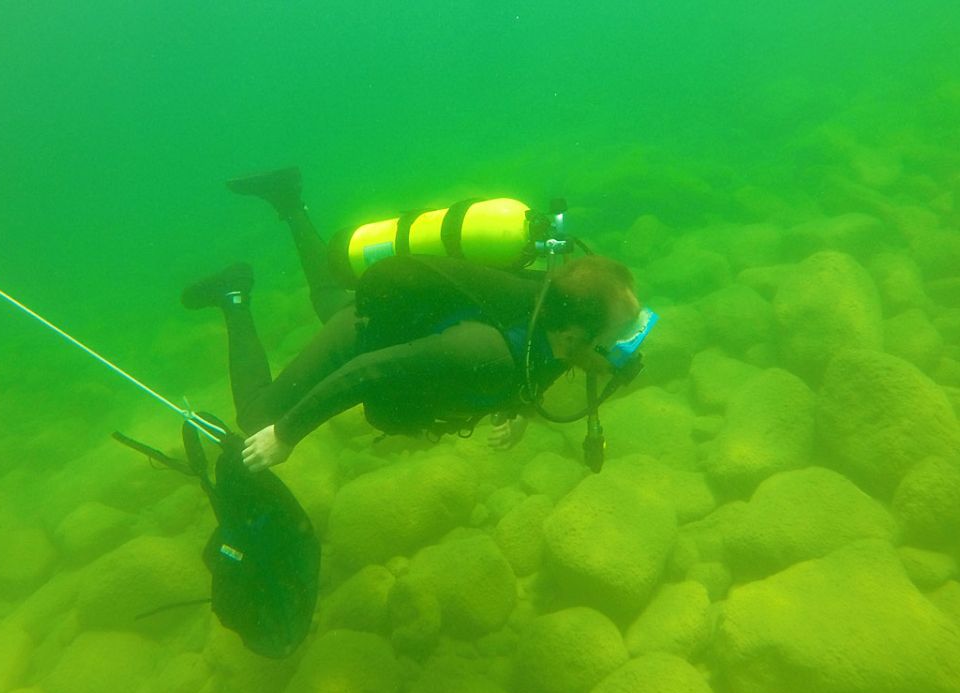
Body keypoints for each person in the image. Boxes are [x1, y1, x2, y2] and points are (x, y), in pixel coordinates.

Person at [182, 167, 641, 472]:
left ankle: (287, 199)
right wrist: (286, 435)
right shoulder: (483, 352)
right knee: (257, 417)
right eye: (622, 333)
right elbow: (366, 371)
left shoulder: (559, 328)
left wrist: (517, 409)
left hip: (401, 325)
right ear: (574, 334)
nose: (632, 342)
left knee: (327, 296)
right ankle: (233, 293)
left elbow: (538, 362)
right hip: (365, 338)